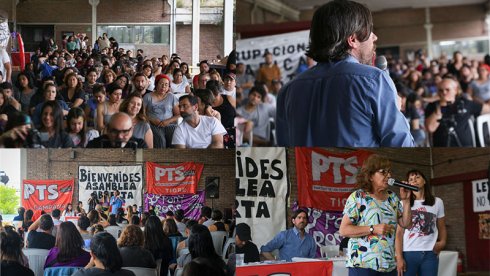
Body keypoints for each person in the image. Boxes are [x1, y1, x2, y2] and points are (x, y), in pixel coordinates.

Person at [276, 0, 414, 147]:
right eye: (370, 31)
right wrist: (396, 112)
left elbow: (286, 152)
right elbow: (403, 149)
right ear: (353, 40)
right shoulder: (374, 81)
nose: (375, 37)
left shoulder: (288, 90)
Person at [339, 154, 412, 275]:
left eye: (389, 172)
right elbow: (344, 230)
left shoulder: (392, 198)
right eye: (383, 172)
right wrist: (373, 229)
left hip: (388, 265)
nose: (388, 175)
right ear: (371, 176)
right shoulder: (358, 197)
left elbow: (405, 223)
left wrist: (407, 200)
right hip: (363, 265)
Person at [395, 169, 447, 276]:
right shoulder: (403, 203)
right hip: (408, 253)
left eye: (417, 177)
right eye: (411, 179)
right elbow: (399, 233)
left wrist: (442, 243)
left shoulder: (437, 202)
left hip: (430, 253)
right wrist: (399, 257)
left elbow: (442, 227)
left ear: (424, 181)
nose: (414, 181)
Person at [425, 77, 490, 146]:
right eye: (441, 90)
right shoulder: (433, 106)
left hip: (465, 148)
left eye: (447, 90)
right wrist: (441, 107)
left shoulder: (464, 103)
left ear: (455, 90)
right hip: (442, 149)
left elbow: (487, 109)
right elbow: (430, 128)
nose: (444, 92)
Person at [143, 74, 180, 148]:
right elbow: (143, 113)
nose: (163, 86)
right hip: (153, 125)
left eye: (166, 84)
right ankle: (160, 159)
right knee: (160, 141)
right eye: (161, 84)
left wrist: (168, 121)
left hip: (170, 125)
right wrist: (151, 119)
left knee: (175, 142)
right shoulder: (148, 96)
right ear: (156, 84)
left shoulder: (171, 97)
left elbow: (178, 114)